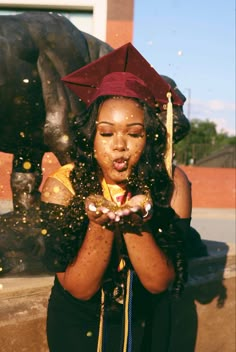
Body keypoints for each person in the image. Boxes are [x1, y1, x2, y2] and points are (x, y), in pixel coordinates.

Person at [40, 43, 191, 352]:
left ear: (150, 137)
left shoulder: (170, 183)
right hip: (78, 331)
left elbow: (159, 282)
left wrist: (137, 225)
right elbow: (78, 289)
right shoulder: (62, 185)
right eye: (106, 133)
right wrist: (101, 225)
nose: (119, 146)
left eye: (134, 134)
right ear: (91, 137)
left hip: (147, 330)